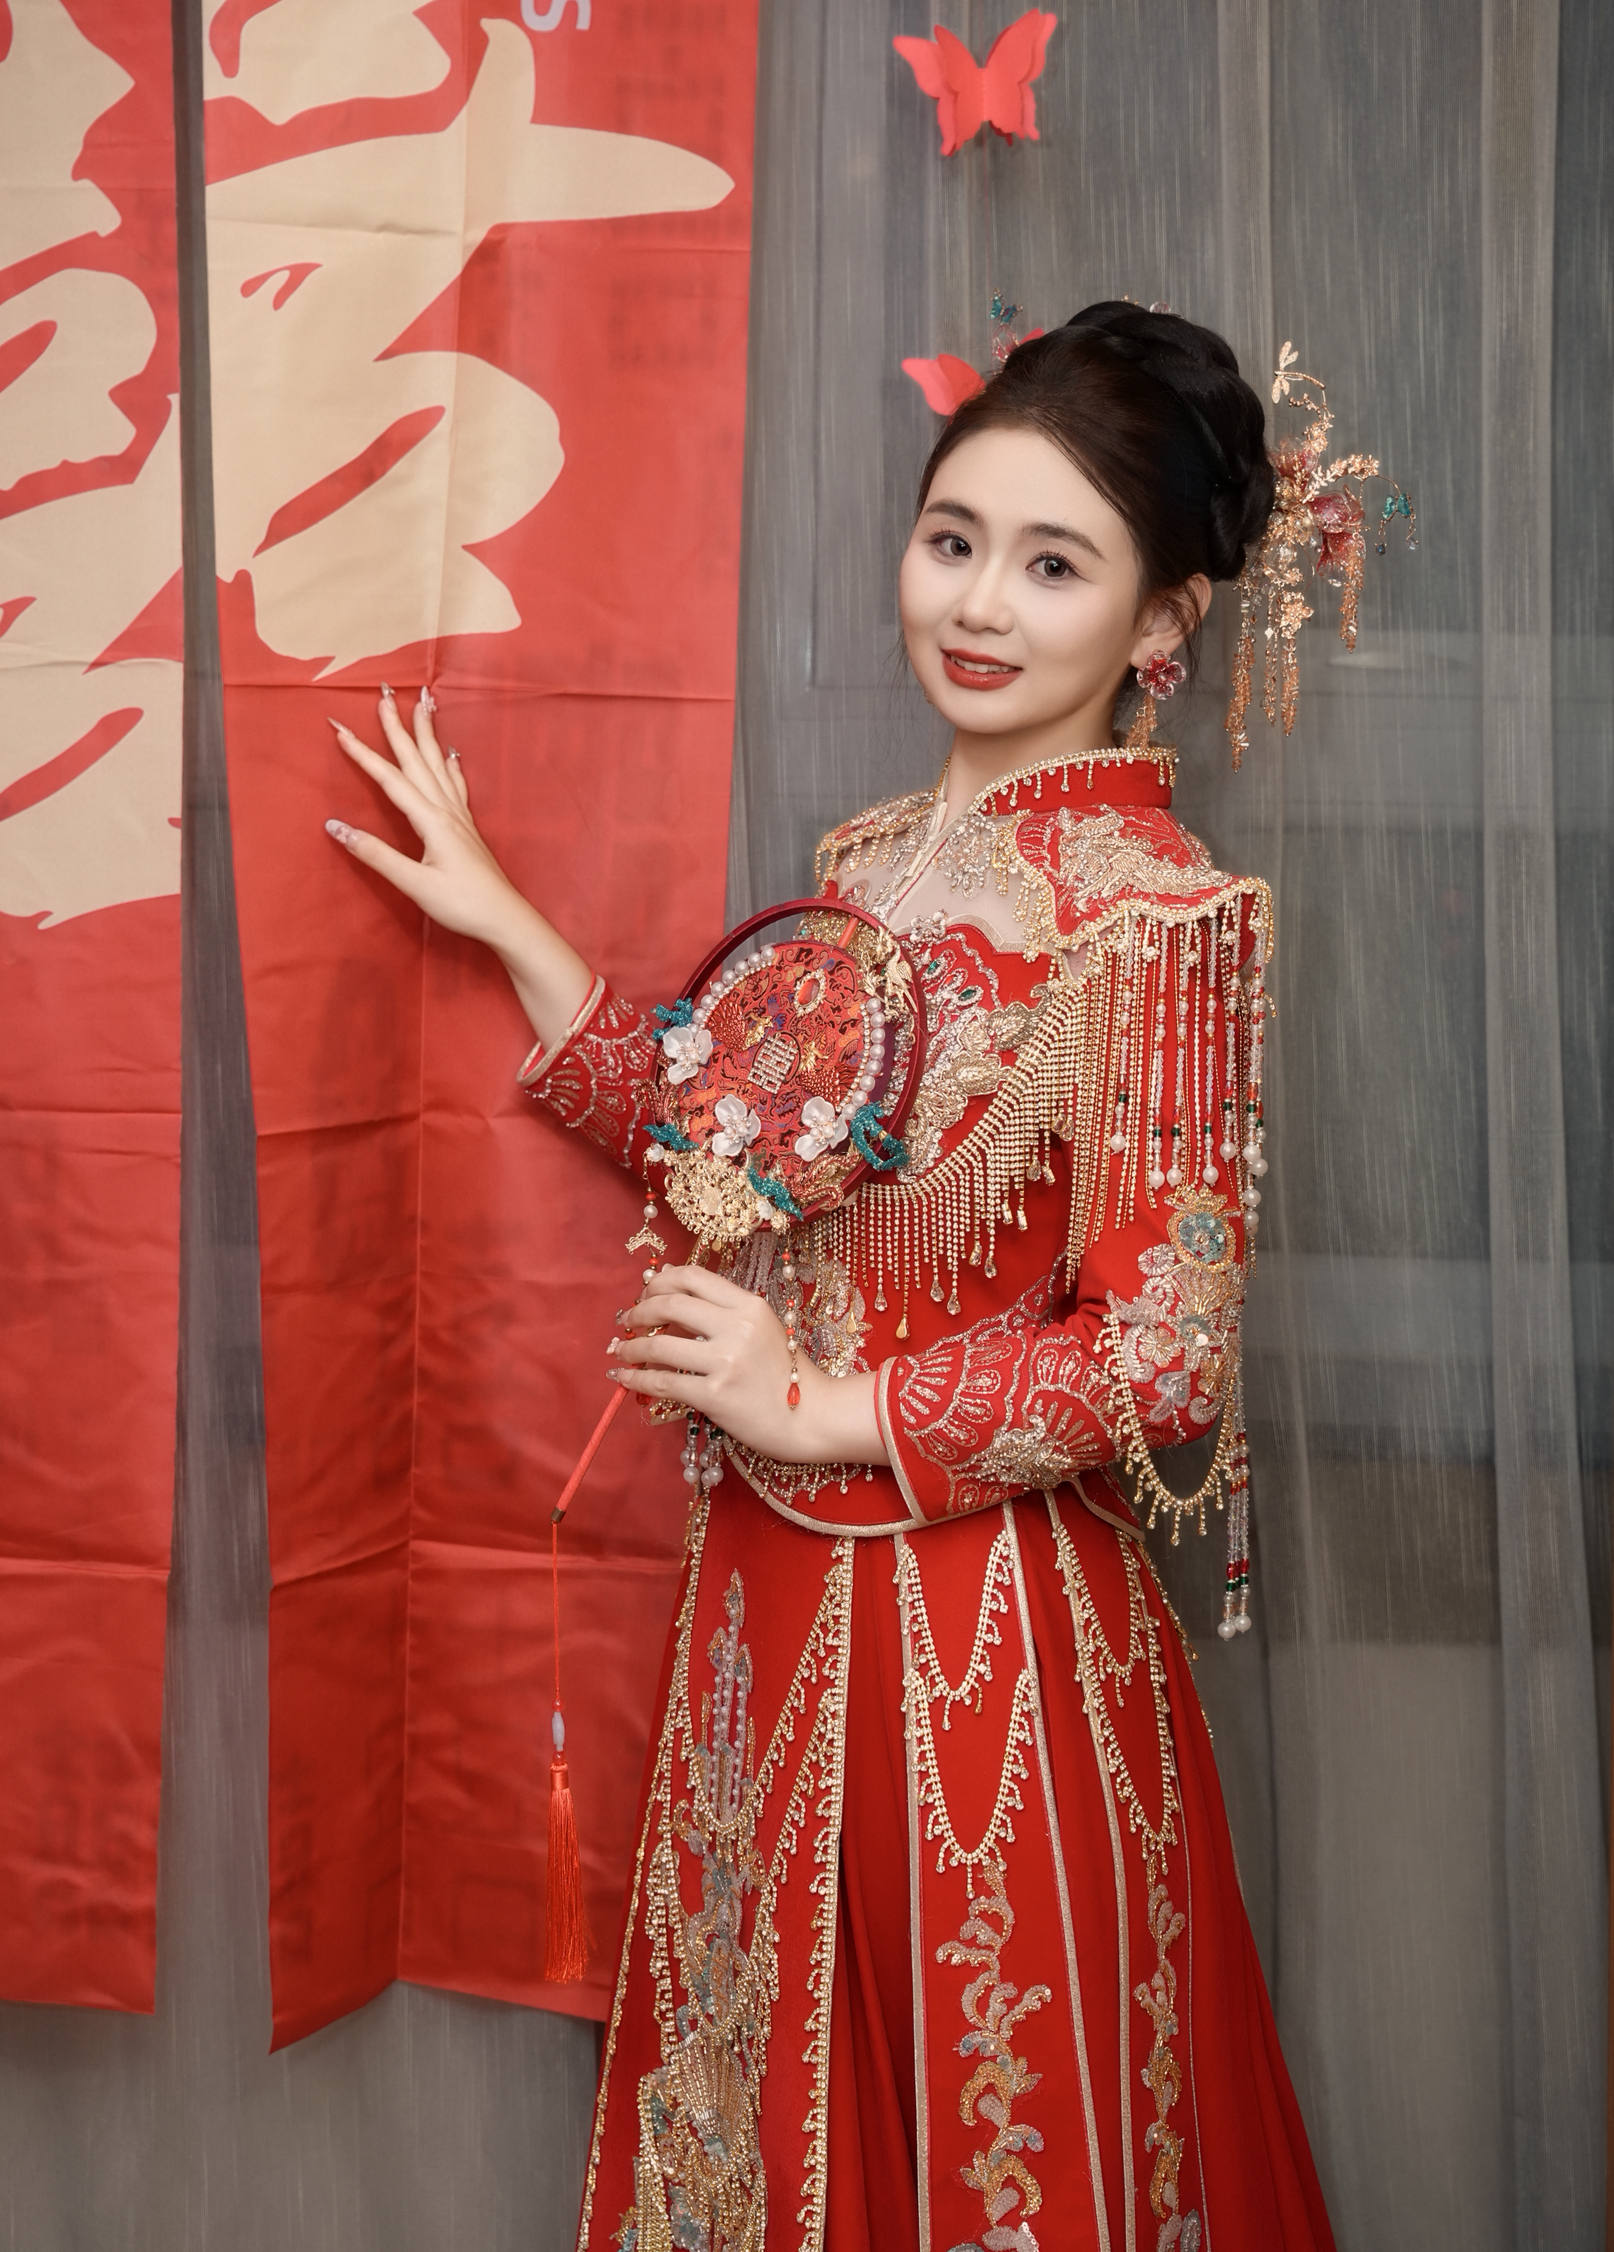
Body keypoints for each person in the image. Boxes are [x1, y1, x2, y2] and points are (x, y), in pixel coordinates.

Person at [326, 303, 1337, 2252]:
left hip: (989, 1648)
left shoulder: (1165, 924)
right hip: (765, 1608)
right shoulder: (869, 866)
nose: (979, 602)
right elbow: (725, 1141)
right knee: (764, 2134)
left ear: (1163, 619)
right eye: (952, 537)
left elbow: (1163, 1351)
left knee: (987, 2151)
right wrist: (507, 918)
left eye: (1054, 565)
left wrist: (818, 1403)